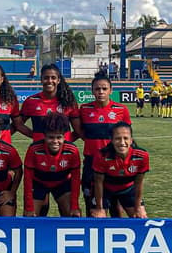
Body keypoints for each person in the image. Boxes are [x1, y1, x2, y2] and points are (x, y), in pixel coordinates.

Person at [20, 63, 83, 216]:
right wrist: (35, 136)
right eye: (46, 78)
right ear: (41, 79)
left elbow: (79, 130)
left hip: (62, 163)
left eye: (53, 78)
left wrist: (66, 142)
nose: (50, 81)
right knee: (35, 215)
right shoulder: (31, 101)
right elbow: (18, 124)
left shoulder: (68, 101)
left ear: (59, 80)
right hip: (40, 160)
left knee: (71, 214)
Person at [80, 71, 132, 217]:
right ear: (92, 91)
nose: (101, 92)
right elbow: (81, 132)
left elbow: (126, 137)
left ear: (111, 90)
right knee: (92, 205)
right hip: (91, 162)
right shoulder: (84, 109)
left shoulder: (121, 110)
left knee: (116, 205)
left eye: (104, 88)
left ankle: (119, 235)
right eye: (97, 89)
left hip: (114, 162)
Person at [23, 113, 81, 217]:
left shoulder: (72, 151)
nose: (55, 141)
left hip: (62, 183)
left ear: (64, 136)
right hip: (39, 183)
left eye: (59, 137)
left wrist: (75, 207)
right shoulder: (34, 150)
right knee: (30, 217)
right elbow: (27, 179)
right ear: (44, 136)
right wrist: (29, 208)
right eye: (51, 137)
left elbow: (76, 180)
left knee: (72, 215)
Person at [91, 122, 149, 218]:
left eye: (125, 138)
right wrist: (99, 208)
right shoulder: (102, 156)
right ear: (112, 140)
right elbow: (98, 183)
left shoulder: (142, 156)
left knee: (140, 217)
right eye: (118, 138)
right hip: (106, 190)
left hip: (128, 189)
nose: (122, 143)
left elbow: (138, 183)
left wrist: (138, 207)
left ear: (131, 140)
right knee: (98, 219)